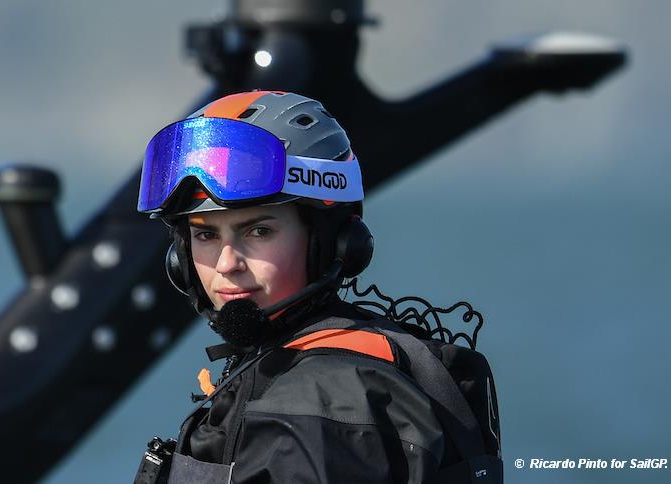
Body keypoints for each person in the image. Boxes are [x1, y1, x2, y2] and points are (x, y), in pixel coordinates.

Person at [134, 91, 502, 483]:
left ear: (332, 242)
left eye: (258, 231)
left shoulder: (317, 407)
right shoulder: (361, 364)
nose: (227, 264)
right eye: (205, 235)